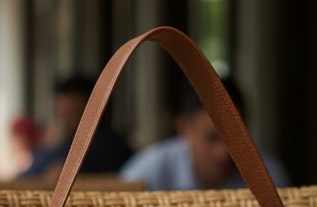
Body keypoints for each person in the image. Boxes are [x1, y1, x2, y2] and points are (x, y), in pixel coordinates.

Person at [119, 78, 290, 190]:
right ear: (184, 128)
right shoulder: (147, 174)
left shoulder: (268, 178)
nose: (224, 152)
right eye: (212, 137)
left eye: (236, 138)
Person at [29, 74, 132, 176]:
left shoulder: (105, 147)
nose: (64, 122)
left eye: (72, 115)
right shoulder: (67, 144)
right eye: (61, 116)